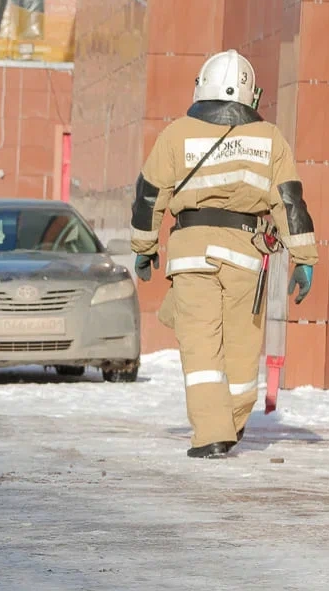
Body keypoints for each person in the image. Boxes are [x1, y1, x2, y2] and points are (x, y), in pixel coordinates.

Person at [130, 49, 318, 459]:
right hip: (245, 256)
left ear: (201, 87)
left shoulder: (176, 134)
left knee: (200, 346)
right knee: (241, 347)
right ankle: (228, 425)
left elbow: (148, 196)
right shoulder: (270, 139)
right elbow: (290, 202)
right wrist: (304, 258)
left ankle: (212, 432)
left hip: (191, 253)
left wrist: (144, 249)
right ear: (252, 95)